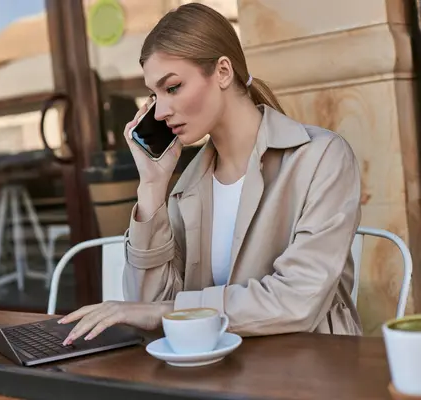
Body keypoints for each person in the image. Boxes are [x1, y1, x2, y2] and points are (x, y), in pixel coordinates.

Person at [58, 3, 362, 345]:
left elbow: (298, 299)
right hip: (214, 367)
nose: (160, 111)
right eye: (153, 95)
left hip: (310, 370)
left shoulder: (321, 158)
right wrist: (152, 187)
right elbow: (147, 307)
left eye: (172, 88)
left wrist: (167, 312)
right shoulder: (186, 187)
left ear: (222, 72)